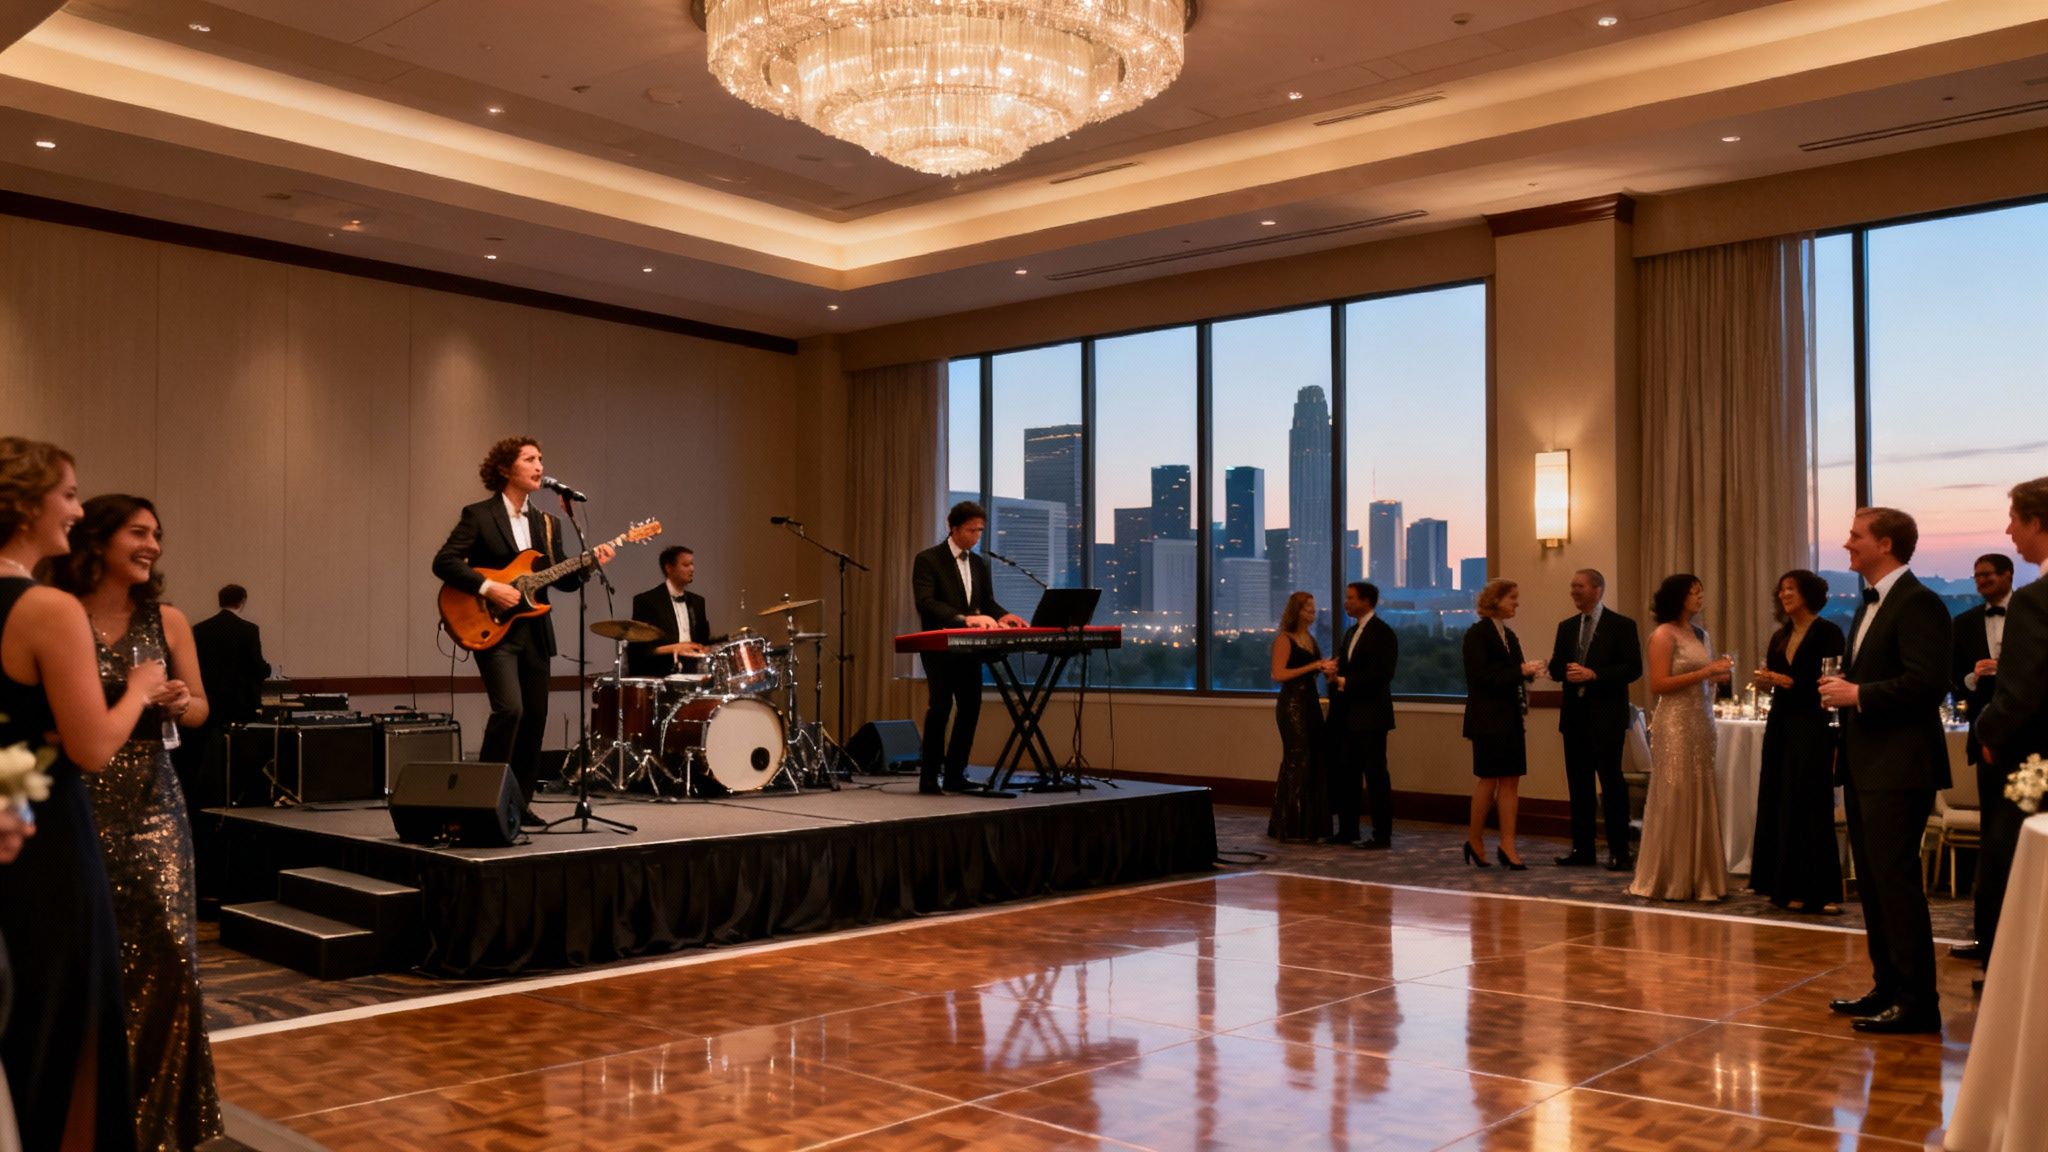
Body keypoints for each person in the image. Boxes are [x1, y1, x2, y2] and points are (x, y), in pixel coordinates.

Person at [0, 437, 166, 1152]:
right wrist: (136, 690)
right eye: (67, 493)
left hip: (8, 807)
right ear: (27, 503)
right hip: (47, 839)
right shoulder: (46, 608)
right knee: (61, 1018)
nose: (74, 509)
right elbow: (92, 746)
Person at [46, 495, 221, 1151]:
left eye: (158, 535)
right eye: (138, 533)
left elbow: (203, 709)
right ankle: (85, 1117)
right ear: (97, 539)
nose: (152, 546)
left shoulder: (168, 619)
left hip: (152, 800)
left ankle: (157, 1123)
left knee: (171, 957)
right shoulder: (58, 614)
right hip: (73, 796)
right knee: (87, 961)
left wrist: (180, 697)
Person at [1818, 507, 1951, 1035]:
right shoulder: (1866, 606)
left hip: (1901, 766)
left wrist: (1858, 694)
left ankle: (1919, 1002)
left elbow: (1927, 683)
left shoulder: (1920, 604)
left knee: (1896, 883)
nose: (1847, 543)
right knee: (1871, 882)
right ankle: (1887, 986)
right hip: (1865, 762)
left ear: (1886, 544)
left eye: (1856, 536)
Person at [432, 437, 614, 823]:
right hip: (493, 630)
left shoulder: (547, 524)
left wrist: (589, 563)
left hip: (535, 633)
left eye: (541, 459)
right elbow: (444, 561)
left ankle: (519, 802)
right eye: (529, 459)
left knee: (534, 719)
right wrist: (488, 587)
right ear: (504, 469)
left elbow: (561, 581)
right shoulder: (479, 514)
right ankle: (482, 800)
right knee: (510, 710)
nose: (539, 466)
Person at [1973, 479, 2048, 977]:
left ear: (2037, 523)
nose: (2008, 531)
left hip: (2036, 765)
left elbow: (2020, 692)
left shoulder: (2036, 600)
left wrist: (1985, 731)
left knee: (2014, 860)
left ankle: (2015, 981)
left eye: (2014, 520)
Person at [1748, 569, 1846, 913]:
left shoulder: (1828, 632)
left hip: (1813, 724)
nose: (1784, 594)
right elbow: (1778, 679)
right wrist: (1768, 682)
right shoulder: (1780, 635)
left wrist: (1790, 683)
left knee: (1811, 803)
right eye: (1781, 589)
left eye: (1791, 589)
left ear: (1809, 593)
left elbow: (1831, 681)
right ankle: (1787, 886)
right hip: (1781, 724)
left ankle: (1824, 891)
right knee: (1782, 801)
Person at [1629, 574, 1732, 901]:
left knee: (1700, 790)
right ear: (1678, 597)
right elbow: (1658, 685)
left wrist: (1719, 677)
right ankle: (1670, 877)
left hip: (1701, 720)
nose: (1700, 598)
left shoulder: (1700, 634)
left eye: (1701, 592)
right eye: (1694, 593)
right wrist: (1705, 672)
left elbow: (1707, 680)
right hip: (1675, 721)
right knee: (1675, 791)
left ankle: (1702, 877)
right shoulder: (1663, 634)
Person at [910, 501, 1024, 795]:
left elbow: (985, 602)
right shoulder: (928, 559)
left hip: (969, 650)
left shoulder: (978, 563)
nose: (976, 536)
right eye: (971, 530)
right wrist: (965, 619)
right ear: (953, 526)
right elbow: (926, 602)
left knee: (970, 707)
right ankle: (929, 777)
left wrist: (1003, 616)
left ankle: (955, 775)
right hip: (939, 645)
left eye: (980, 531)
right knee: (941, 707)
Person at [1546, 569, 1642, 870]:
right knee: (1579, 786)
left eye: (1580, 586)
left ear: (1598, 589)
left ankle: (1619, 851)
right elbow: (1556, 668)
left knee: (1612, 785)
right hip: (1574, 718)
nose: (1574, 591)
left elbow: (1633, 668)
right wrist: (1562, 671)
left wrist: (1594, 674)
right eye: (1572, 586)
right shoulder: (1567, 627)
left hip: (1607, 718)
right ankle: (1583, 850)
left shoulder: (1621, 625)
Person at [1948, 552, 2015, 963]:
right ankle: (1987, 937)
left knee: (2021, 838)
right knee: (1993, 839)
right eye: (1976, 577)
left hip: (2030, 743)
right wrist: (1973, 677)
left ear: (2007, 575)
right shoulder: (1965, 623)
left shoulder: (2030, 614)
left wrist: (2006, 669)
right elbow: (1953, 681)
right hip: (1985, 741)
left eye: (1987, 576)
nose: (1981, 583)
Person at [1461, 578, 1545, 870]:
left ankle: (1508, 843)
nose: (1516, 603)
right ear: (1495, 600)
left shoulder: (1509, 635)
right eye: (1512, 598)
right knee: (1489, 778)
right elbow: (1482, 677)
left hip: (1509, 716)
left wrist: (1530, 672)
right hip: (1487, 717)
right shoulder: (1477, 634)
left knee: (1511, 779)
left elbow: (1512, 673)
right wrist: (1520, 670)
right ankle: (1475, 838)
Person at [1327, 581, 1396, 848]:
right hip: (1348, 716)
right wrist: (1335, 674)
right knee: (1348, 774)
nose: (1346, 602)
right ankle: (1348, 830)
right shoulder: (1351, 632)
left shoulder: (1383, 633)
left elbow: (1382, 675)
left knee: (1376, 776)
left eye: (1351, 598)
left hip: (1372, 716)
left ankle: (1382, 834)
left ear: (1367, 601)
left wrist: (1344, 682)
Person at [1268, 590, 1335, 842]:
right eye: (1308, 609)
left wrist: (1327, 669)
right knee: (1298, 759)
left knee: (1315, 758)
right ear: (1297, 611)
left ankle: (1310, 825)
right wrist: (1314, 666)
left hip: (1310, 703)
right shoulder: (1285, 639)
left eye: (1314, 609)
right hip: (1292, 705)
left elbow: (1312, 672)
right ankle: (1291, 824)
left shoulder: (1310, 639)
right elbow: (1278, 674)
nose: (1313, 613)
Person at [626, 546, 718, 678]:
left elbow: (702, 641)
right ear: (669, 568)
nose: (692, 569)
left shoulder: (698, 602)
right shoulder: (647, 601)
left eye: (692, 564)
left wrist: (720, 643)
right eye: (686, 564)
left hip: (693, 669)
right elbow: (641, 650)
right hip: (662, 670)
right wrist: (677, 647)